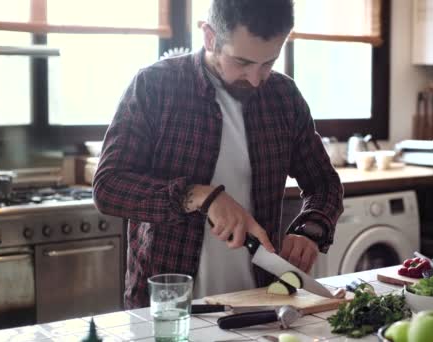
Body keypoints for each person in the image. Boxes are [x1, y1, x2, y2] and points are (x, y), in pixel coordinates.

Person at [93, 0, 344, 309]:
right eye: (241, 62)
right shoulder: (154, 86)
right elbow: (108, 188)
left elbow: (324, 184)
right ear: (209, 37)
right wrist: (199, 196)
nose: (255, 79)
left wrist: (311, 230)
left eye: (268, 63)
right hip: (168, 307)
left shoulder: (284, 97)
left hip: (258, 305)